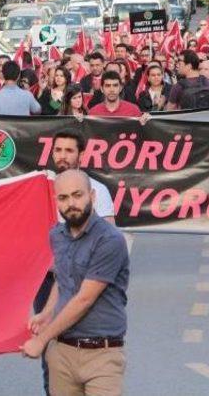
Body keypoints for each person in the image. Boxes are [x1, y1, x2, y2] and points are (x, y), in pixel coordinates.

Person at [21, 169, 129, 396]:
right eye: (63, 197)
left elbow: (84, 298)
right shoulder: (56, 236)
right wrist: (46, 313)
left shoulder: (110, 240)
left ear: (92, 196)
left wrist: (41, 339)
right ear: (56, 201)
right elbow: (62, 280)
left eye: (78, 195)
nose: (71, 203)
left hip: (102, 355)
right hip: (62, 354)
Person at [33, 131, 117, 395]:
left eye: (69, 151)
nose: (62, 156)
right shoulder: (39, 188)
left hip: (84, 282)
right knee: (51, 353)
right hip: (47, 282)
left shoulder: (96, 190)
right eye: (58, 150)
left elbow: (109, 238)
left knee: (86, 350)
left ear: (81, 155)